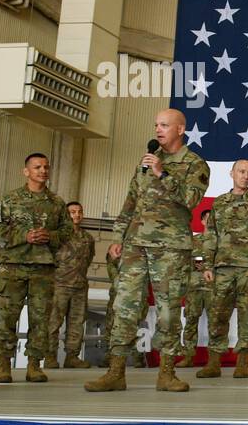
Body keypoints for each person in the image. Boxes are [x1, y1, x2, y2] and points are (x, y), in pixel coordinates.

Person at [86, 109, 209, 392]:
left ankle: (167, 373)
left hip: (170, 248)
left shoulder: (194, 164)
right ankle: (115, 371)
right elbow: (131, 201)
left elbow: (190, 200)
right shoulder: (146, 161)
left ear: (180, 130)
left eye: (164, 125)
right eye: (156, 125)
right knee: (124, 306)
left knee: (167, 311)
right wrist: (118, 236)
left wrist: (162, 173)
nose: (158, 130)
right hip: (135, 246)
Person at [0, 152, 71, 383]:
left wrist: (49, 236)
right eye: (37, 167)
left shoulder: (57, 203)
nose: (42, 171)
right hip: (13, 267)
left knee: (40, 319)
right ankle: (3, 364)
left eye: (46, 167)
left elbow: (68, 232)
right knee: (7, 317)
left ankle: (34, 365)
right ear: (26, 171)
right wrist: (26, 236)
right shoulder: (7, 199)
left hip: (43, 269)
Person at [198, 160, 248, 380]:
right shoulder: (219, 203)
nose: (245, 176)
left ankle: (243, 362)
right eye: (241, 172)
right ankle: (214, 362)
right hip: (222, 269)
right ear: (232, 173)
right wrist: (207, 264)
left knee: (247, 316)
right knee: (217, 315)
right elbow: (210, 235)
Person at [45, 200, 95, 369]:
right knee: (53, 322)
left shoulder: (88, 238)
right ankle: (50, 356)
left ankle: (72, 357)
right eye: (73, 212)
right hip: (59, 284)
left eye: (79, 211)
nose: (77, 215)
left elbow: (87, 260)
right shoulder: (57, 236)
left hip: (80, 285)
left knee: (77, 322)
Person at [104, 246, 149, 369]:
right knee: (112, 324)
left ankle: (138, 357)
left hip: (139, 294)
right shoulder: (116, 247)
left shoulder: (143, 247)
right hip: (119, 292)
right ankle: (110, 357)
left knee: (137, 326)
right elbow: (111, 267)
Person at [178, 209, 212, 367]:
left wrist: (201, 264)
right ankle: (188, 356)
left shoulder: (222, 243)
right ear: (203, 221)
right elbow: (186, 262)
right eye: (208, 219)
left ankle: (213, 360)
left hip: (214, 289)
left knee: (216, 324)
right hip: (195, 288)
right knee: (191, 321)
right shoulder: (194, 241)